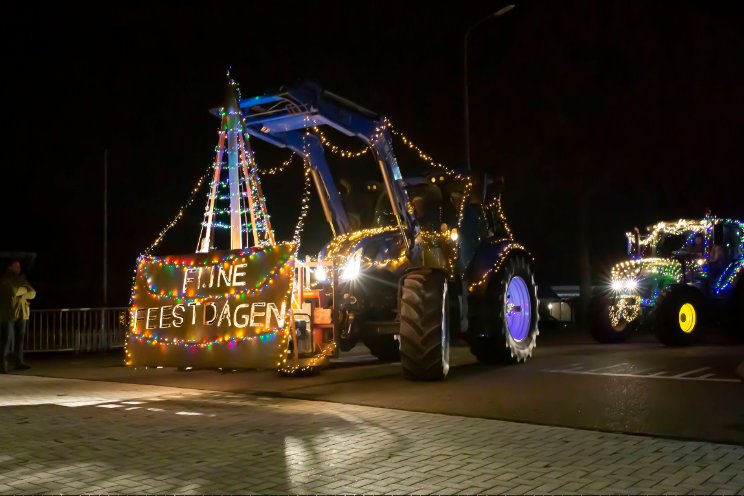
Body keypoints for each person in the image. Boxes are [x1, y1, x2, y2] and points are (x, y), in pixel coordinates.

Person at [0, 260, 35, 372]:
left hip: (22, 312)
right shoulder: (5, 279)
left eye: (19, 266)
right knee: (7, 339)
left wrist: (22, 292)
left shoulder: (22, 279)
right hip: (9, 313)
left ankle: (19, 361)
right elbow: (12, 291)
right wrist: (24, 291)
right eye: (16, 266)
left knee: (20, 339)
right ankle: (2, 364)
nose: (18, 268)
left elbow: (33, 293)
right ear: (9, 267)